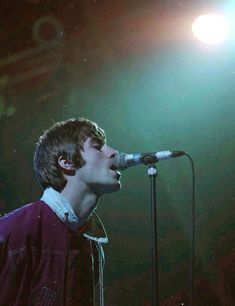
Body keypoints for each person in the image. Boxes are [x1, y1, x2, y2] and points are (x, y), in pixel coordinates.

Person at [0, 118, 121, 306]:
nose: (113, 152)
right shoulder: (14, 232)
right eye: (97, 146)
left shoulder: (92, 246)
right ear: (66, 162)